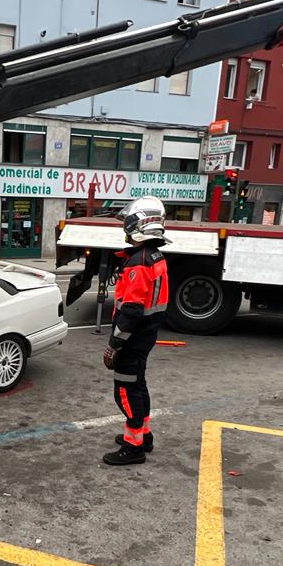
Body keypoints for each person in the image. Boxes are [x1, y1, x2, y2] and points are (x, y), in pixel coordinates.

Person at [102, 196, 170, 466]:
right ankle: (143, 436)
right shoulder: (155, 256)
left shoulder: (139, 262)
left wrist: (114, 345)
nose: (124, 228)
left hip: (132, 338)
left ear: (138, 225)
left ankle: (134, 447)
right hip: (146, 335)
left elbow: (130, 310)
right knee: (138, 385)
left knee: (125, 391)